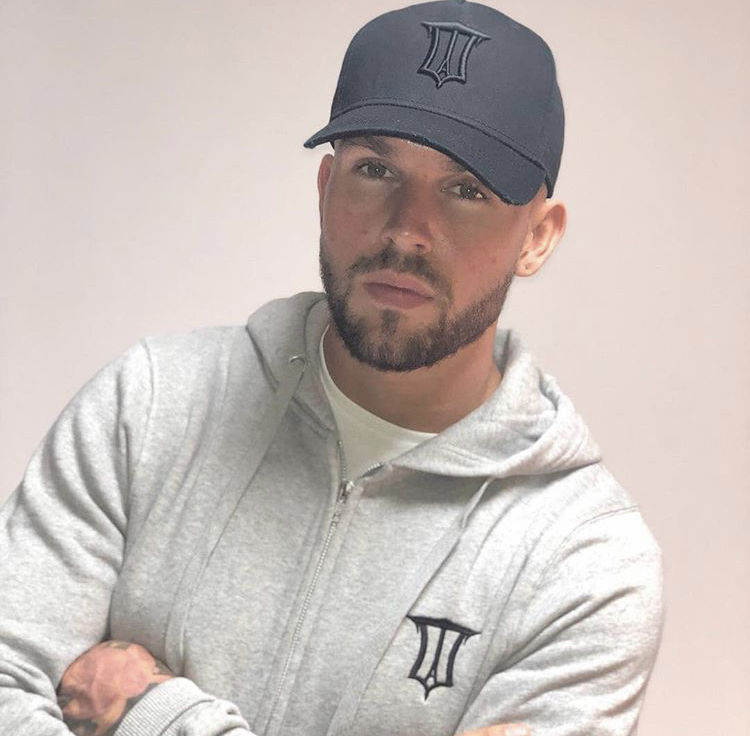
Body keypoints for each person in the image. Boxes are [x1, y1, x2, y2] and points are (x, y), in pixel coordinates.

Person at [0, 1, 664, 735]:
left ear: (537, 237)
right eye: (376, 170)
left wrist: (154, 715)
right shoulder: (149, 406)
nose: (407, 231)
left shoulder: (585, 563)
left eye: (466, 189)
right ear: (324, 189)